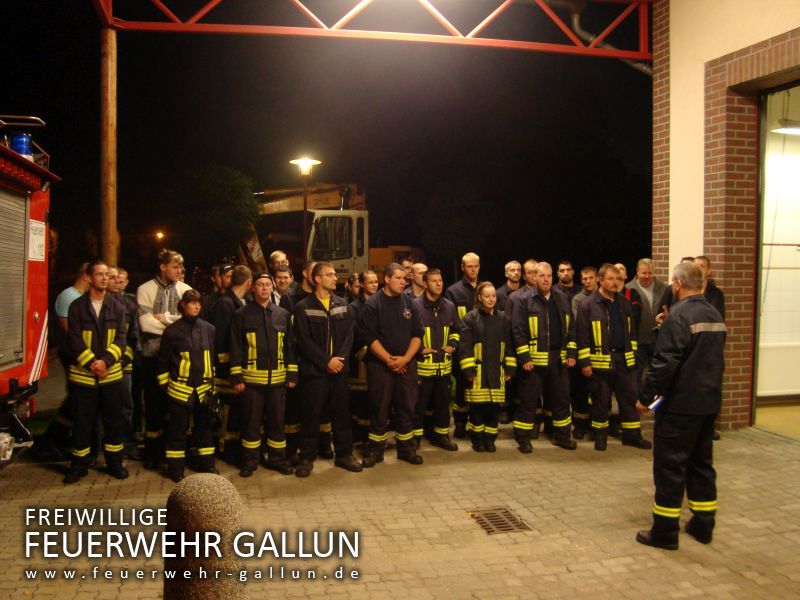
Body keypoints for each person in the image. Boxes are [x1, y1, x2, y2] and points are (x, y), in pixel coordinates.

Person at [635, 262, 726, 550]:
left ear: (677, 284)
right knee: (701, 464)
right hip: (708, 403)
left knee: (670, 467)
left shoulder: (678, 316)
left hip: (679, 407)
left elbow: (664, 364)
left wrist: (646, 398)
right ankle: (703, 524)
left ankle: (664, 532)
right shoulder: (714, 314)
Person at [293, 262, 362, 477]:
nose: (335, 277)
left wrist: (338, 360)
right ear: (317, 279)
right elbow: (303, 341)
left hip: (339, 371)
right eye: (330, 274)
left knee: (341, 414)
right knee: (311, 415)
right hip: (315, 372)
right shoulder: (303, 306)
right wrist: (325, 362)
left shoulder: (343, 304)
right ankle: (307, 458)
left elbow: (349, 335)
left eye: (334, 274)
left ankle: (344, 455)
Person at [63, 260, 128, 484]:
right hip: (84, 376)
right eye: (99, 274)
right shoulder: (77, 307)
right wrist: (93, 363)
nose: (103, 278)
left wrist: (106, 363)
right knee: (82, 422)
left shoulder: (118, 307)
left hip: (110, 376)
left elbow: (121, 339)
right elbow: (74, 340)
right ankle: (78, 466)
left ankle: (115, 463)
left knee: (113, 422)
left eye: (106, 275)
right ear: (89, 278)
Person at [576, 263, 652, 451]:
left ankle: (632, 436)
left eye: (617, 279)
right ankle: (600, 437)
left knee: (629, 398)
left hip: (624, 360)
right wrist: (585, 362)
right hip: (601, 362)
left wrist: (632, 355)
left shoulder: (624, 302)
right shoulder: (588, 304)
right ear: (600, 280)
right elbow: (582, 336)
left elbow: (631, 333)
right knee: (601, 401)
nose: (614, 282)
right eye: (610, 278)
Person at [229, 273, 298, 477]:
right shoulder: (241, 314)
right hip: (251, 382)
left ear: (272, 287)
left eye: (268, 285)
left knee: (277, 422)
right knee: (251, 423)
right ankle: (250, 461)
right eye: (260, 285)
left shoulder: (282, 314)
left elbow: (290, 347)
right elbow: (235, 346)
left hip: (277, 381)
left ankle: (277, 459)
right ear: (253, 288)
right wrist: (236, 376)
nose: (264, 288)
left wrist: (292, 373)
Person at [358, 263, 425, 467]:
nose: (403, 282)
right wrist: (389, 360)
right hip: (381, 366)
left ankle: (406, 450)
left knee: (407, 407)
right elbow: (370, 338)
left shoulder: (410, 303)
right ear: (386, 279)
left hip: (406, 364)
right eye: (398, 278)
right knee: (379, 408)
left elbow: (417, 335)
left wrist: (405, 359)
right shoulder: (373, 305)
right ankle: (376, 451)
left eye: (404, 278)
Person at [512, 262, 577, 452]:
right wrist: (524, 358)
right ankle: (523, 437)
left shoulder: (562, 298)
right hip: (533, 361)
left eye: (549, 276)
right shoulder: (523, 300)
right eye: (541, 276)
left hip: (559, 359)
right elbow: (518, 330)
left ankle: (562, 435)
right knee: (528, 400)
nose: (546, 279)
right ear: (534, 277)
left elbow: (570, 328)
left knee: (562, 399)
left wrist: (572, 353)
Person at [136, 249, 193, 469]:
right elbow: (145, 324)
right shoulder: (145, 289)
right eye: (175, 267)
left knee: (177, 407)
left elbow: (190, 320)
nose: (179, 271)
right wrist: (176, 323)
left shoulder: (186, 289)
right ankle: (152, 453)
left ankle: (176, 453)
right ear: (162, 267)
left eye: (180, 267)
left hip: (179, 358)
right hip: (153, 355)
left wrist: (164, 318)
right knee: (154, 406)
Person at [157, 290, 218, 482]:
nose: (197, 306)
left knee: (205, 430)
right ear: (183, 305)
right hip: (180, 390)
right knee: (177, 432)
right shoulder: (172, 331)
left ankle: (207, 465)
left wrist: (213, 386)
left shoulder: (209, 329)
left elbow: (212, 359)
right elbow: (163, 363)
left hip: (204, 390)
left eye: (199, 303)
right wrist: (166, 388)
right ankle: (175, 470)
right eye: (192, 303)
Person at [459, 281, 516, 452]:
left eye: (493, 296)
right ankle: (477, 439)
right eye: (487, 296)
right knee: (477, 409)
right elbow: (465, 346)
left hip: (497, 371)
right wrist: (468, 370)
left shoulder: (504, 318)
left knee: (493, 409)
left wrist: (510, 368)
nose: (491, 299)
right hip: (478, 371)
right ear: (479, 298)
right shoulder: (470, 318)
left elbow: (509, 345)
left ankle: (490, 439)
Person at [412, 268, 459, 451]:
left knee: (442, 404)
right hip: (422, 369)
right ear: (425, 284)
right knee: (418, 405)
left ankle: (441, 436)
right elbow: (409, 333)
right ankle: (415, 438)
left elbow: (456, 331)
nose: (439, 284)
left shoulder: (449, 306)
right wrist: (419, 349)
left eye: (440, 280)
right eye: (434, 281)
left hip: (444, 367)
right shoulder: (414, 305)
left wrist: (453, 346)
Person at [210, 265, 252, 459]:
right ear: (249, 282)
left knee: (239, 409)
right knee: (230, 408)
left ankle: (235, 447)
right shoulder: (226, 303)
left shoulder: (241, 301)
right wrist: (228, 367)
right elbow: (223, 338)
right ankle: (228, 449)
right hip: (228, 367)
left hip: (240, 364)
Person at [445, 252, 481, 438]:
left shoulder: (485, 289)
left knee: (478, 387)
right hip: (462, 348)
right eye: (469, 266)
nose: (473, 269)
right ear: (462, 267)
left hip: (482, 347)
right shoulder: (453, 291)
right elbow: (451, 321)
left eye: (476, 266)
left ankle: (477, 423)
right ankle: (460, 424)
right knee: (461, 388)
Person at [108, 266, 140, 459]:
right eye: (114, 278)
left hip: (122, 366)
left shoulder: (128, 304)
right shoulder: (96, 304)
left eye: (119, 279)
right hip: (101, 368)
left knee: (126, 408)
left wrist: (125, 358)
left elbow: (132, 335)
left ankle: (128, 445)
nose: (117, 282)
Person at [348, 270, 379, 443]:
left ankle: (372, 435)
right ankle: (358, 435)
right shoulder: (353, 307)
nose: (375, 285)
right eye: (370, 282)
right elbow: (355, 332)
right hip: (359, 359)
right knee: (359, 399)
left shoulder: (379, 303)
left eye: (376, 282)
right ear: (362, 285)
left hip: (377, 358)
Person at [626, 259, 667, 384]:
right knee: (636, 376)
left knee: (658, 375)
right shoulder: (629, 289)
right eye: (643, 273)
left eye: (650, 273)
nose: (646, 276)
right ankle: (637, 402)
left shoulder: (663, 287)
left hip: (658, 340)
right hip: (638, 342)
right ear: (637, 272)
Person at [570, 266, 598, 439]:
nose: (587, 281)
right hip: (584, 349)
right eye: (584, 278)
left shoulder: (604, 298)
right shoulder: (578, 300)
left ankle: (597, 425)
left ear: (598, 279)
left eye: (590, 278)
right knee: (580, 392)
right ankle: (579, 425)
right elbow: (579, 326)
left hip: (601, 353)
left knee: (599, 393)